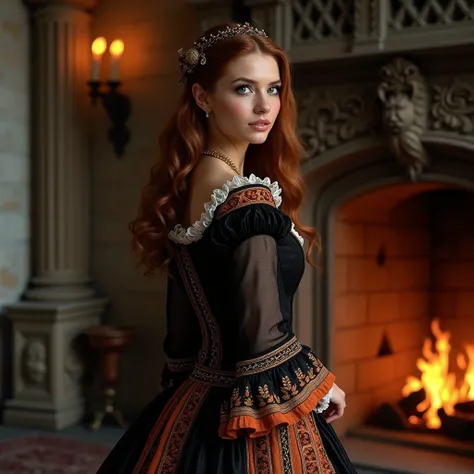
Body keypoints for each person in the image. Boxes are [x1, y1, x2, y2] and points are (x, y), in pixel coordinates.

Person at [97, 21, 357, 474]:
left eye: (273, 88)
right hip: (245, 417)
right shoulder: (245, 200)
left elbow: (181, 337)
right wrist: (321, 385)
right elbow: (261, 336)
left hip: (195, 397)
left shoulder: (190, 187)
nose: (265, 106)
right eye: (243, 88)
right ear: (202, 97)